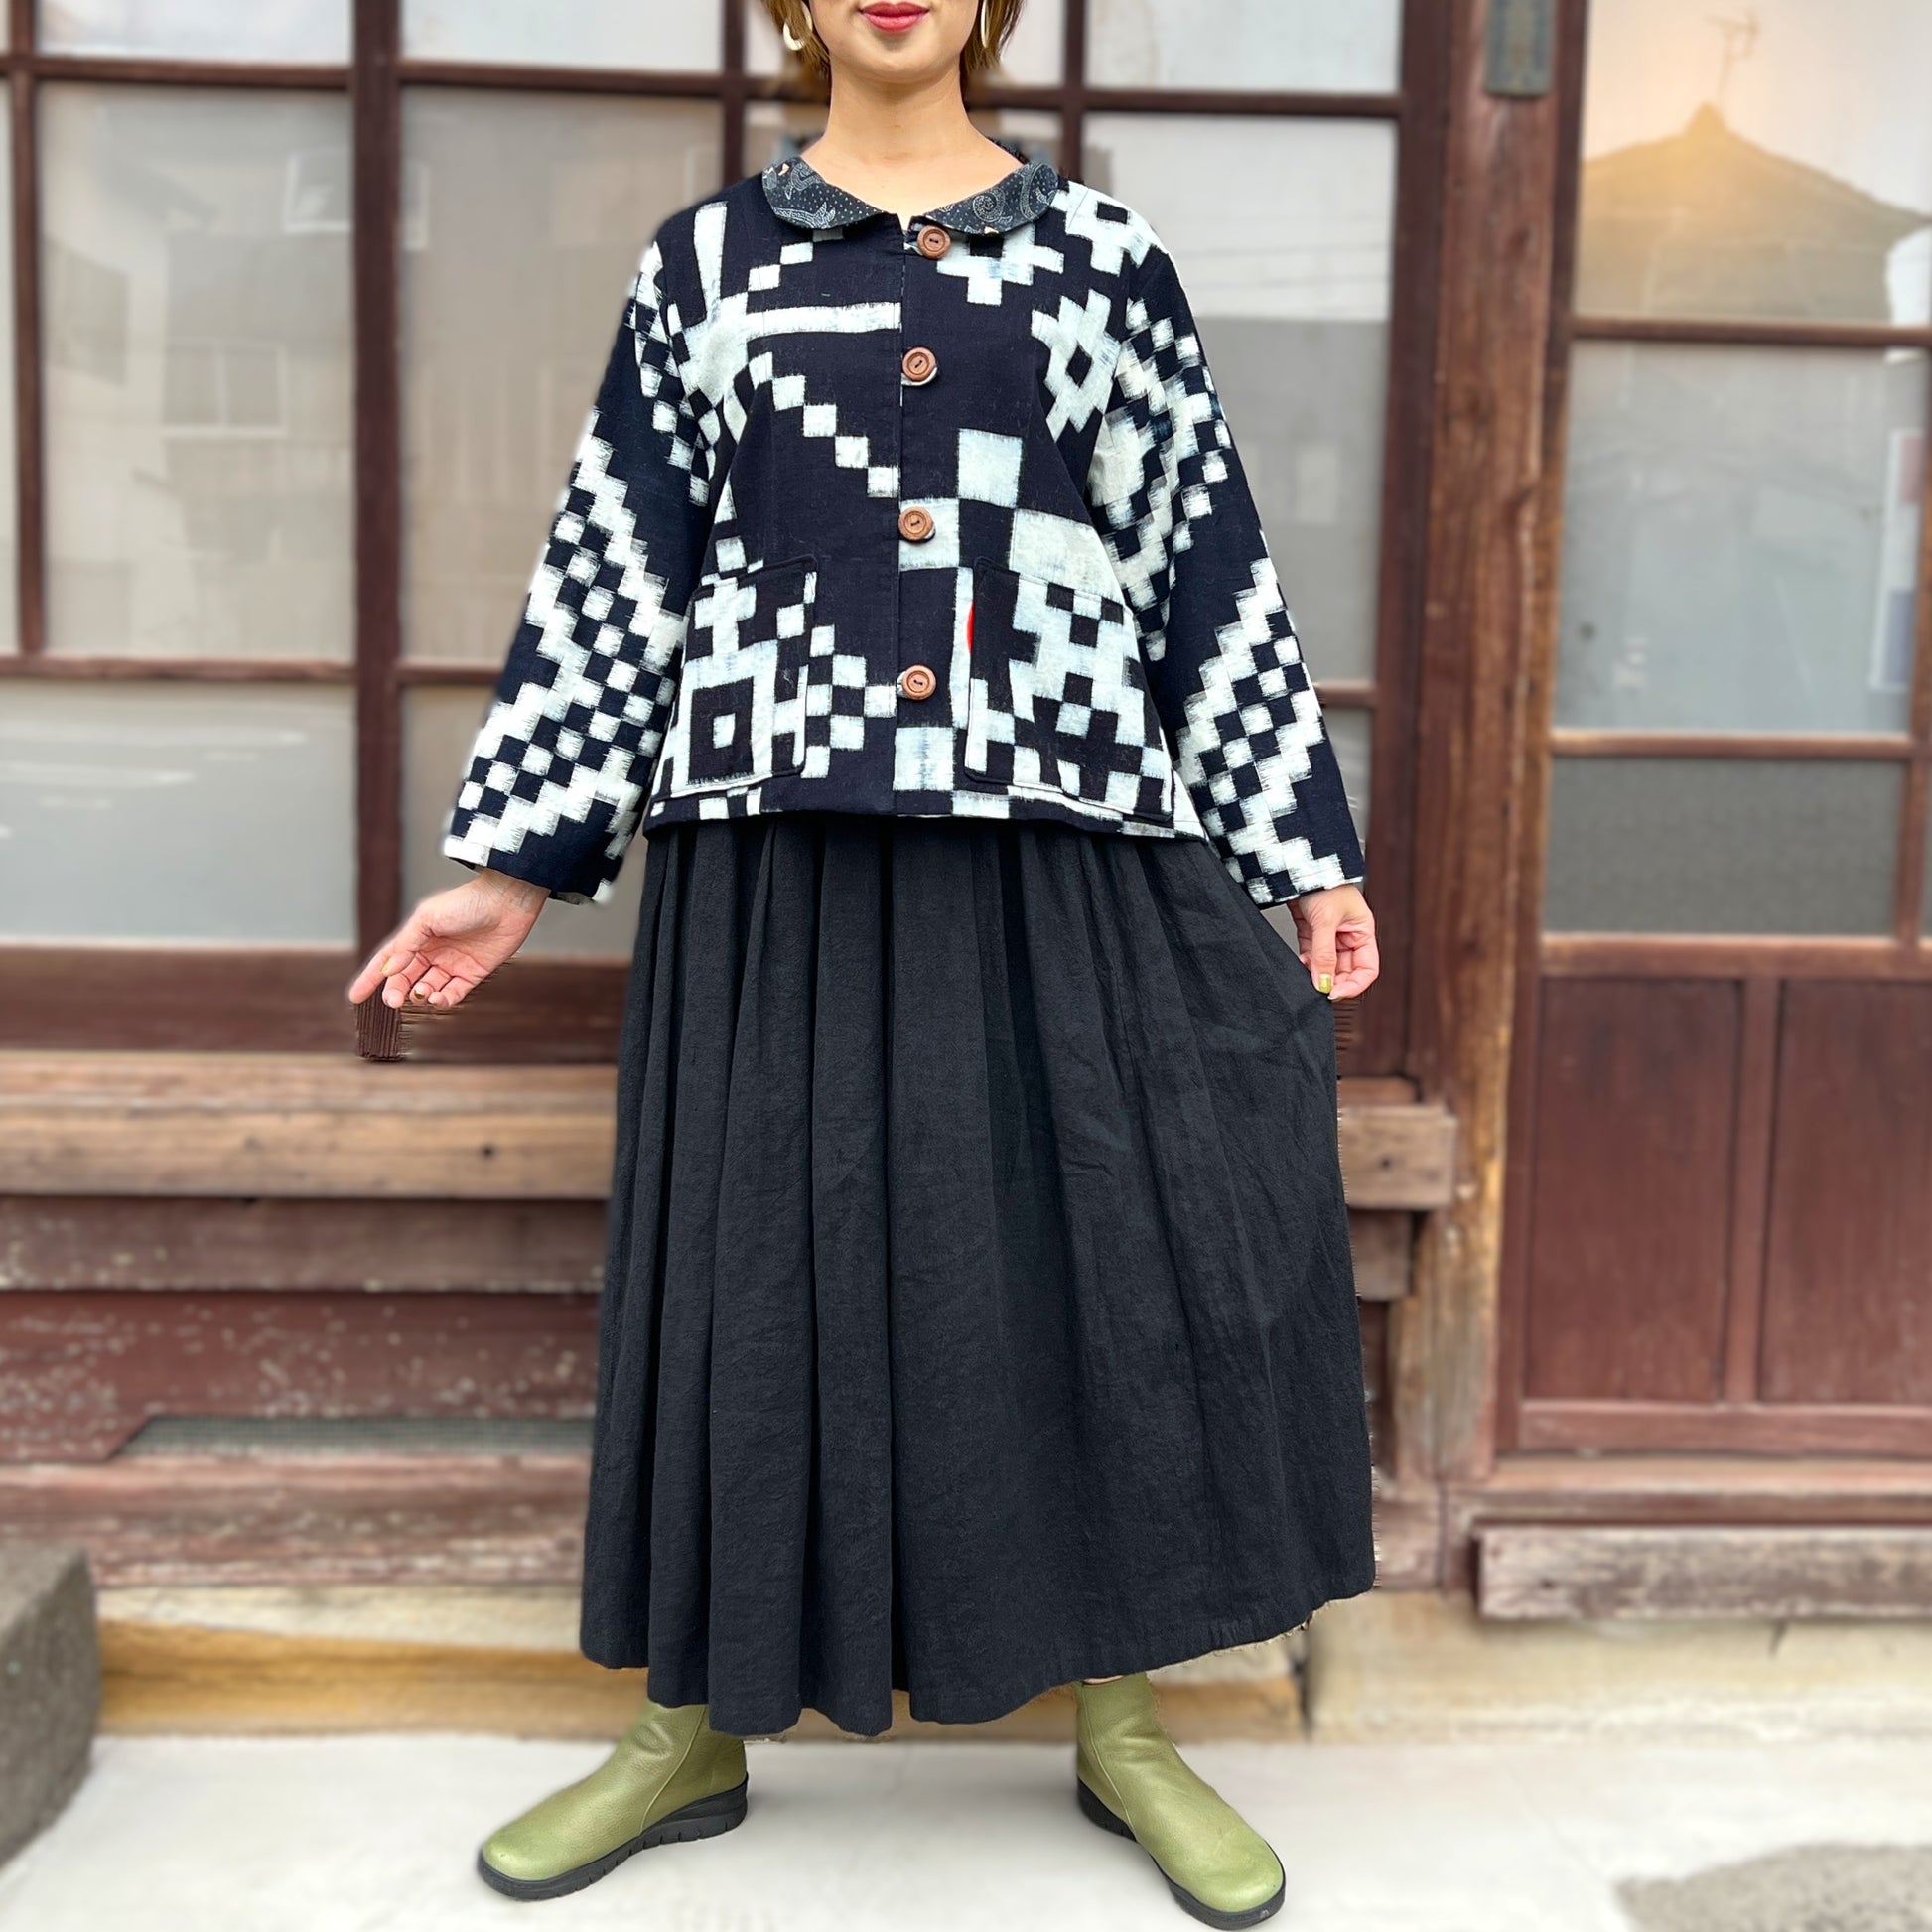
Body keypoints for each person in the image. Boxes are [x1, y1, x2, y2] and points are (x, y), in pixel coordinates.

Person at [347, 0, 1381, 1922]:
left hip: (1055, 838)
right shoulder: (702, 268)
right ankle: (687, 1723)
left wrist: (1298, 847)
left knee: (1093, 1266)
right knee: (746, 1276)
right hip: (774, 855)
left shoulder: (1106, 262)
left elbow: (1200, 558)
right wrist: (508, 868)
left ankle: (1125, 1719)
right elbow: (619, 568)